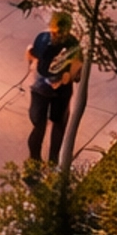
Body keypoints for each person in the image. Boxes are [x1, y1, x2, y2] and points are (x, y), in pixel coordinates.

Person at [26, 9, 81, 165]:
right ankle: (37, 160)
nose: (57, 36)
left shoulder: (71, 45)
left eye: (60, 33)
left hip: (57, 90)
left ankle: (49, 161)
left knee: (55, 124)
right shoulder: (45, 39)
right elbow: (33, 54)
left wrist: (68, 76)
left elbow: (77, 70)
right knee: (41, 125)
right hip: (43, 89)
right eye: (56, 32)